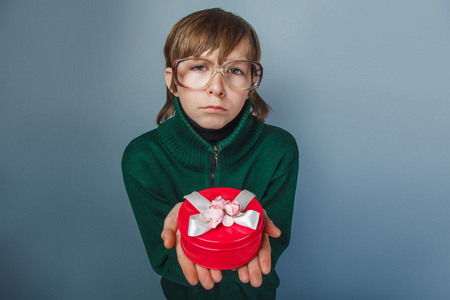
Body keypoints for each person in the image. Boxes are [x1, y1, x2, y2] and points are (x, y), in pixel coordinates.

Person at [122, 8, 299, 300]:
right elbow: (164, 258)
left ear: (251, 85)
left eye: (235, 70)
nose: (216, 88)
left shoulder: (279, 149)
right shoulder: (142, 158)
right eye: (199, 68)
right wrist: (187, 229)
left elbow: (273, 242)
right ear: (172, 81)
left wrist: (250, 234)